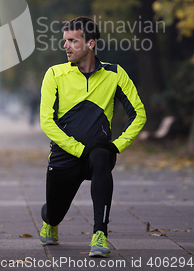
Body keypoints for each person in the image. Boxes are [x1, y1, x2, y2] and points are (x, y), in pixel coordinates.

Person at [39, 16, 146, 257]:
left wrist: (116, 146)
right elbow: (47, 121)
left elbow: (138, 114)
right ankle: (50, 221)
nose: (65, 46)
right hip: (64, 155)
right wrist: (78, 149)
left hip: (97, 152)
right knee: (54, 211)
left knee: (101, 155)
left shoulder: (115, 74)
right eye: (64, 41)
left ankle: (100, 234)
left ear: (90, 44)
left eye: (72, 41)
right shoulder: (54, 74)